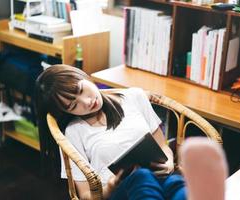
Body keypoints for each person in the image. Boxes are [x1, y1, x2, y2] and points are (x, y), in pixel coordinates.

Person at [35, 64, 186, 200]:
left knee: (178, 184)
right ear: (66, 112)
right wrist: (111, 186)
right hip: (119, 193)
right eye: (73, 106)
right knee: (141, 176)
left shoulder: (134, 96)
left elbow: (163, 146)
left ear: (83, 76)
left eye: (81, 90)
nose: (86, 102)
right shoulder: (74, 132)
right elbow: (86, 195)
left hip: (160, 178)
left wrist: (168, 163)